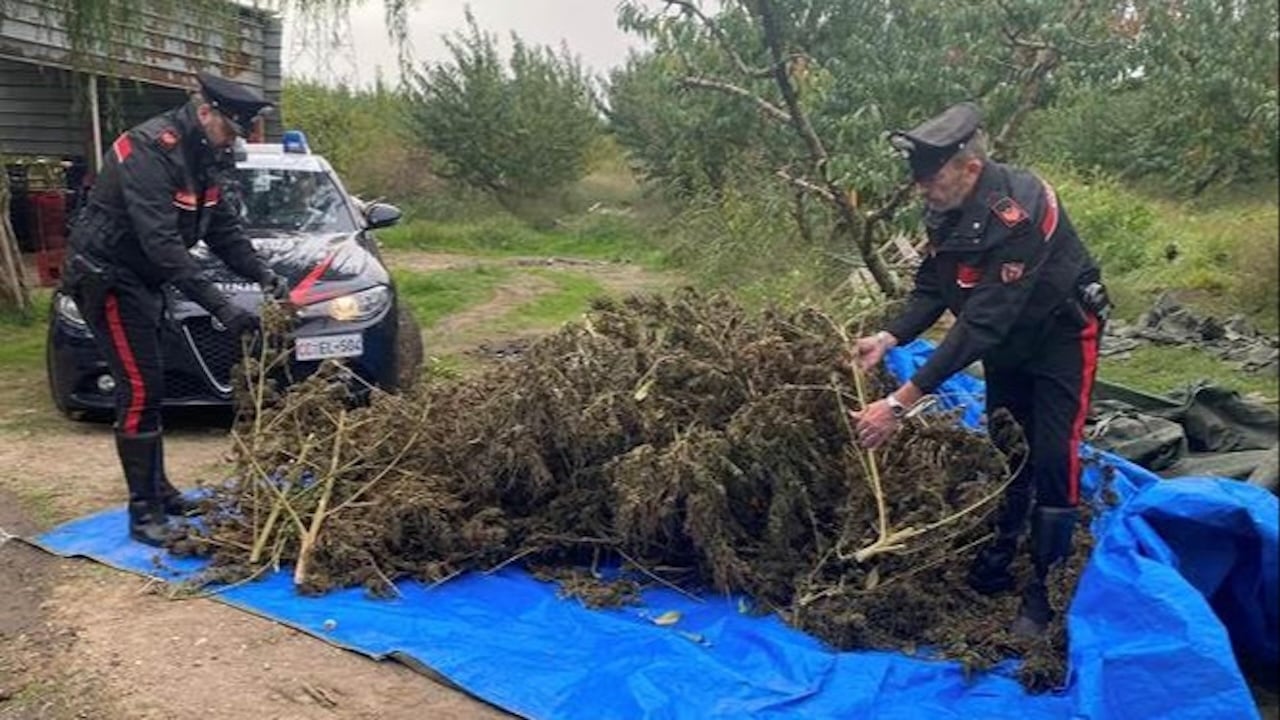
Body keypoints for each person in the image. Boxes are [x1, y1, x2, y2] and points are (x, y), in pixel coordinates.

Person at [850, 101, 1110, 636]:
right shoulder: (945, 206)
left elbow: (981, 323)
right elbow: (934, 287)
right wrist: (889, 335)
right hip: (1009, 341)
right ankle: (1003, 549)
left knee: (1055, 453)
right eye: (920, 180)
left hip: (1061, 334)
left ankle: (1044, 587)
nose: (923, 189)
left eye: (932, 178)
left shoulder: (1021, 212)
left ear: (969, 168)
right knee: (1006, 442)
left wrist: (900, 402)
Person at [62, 72, 290, 547]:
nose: (233, 140)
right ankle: (143, 513)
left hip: (145, 280)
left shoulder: (208, 152)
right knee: (141, 387)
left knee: (154, 380)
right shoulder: (149, 150)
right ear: (205, 111)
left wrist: (262, 272)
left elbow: (222, 228)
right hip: (108, 277)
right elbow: (163, 245)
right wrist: (222, 307)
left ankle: (160, 491)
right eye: (230, 129)